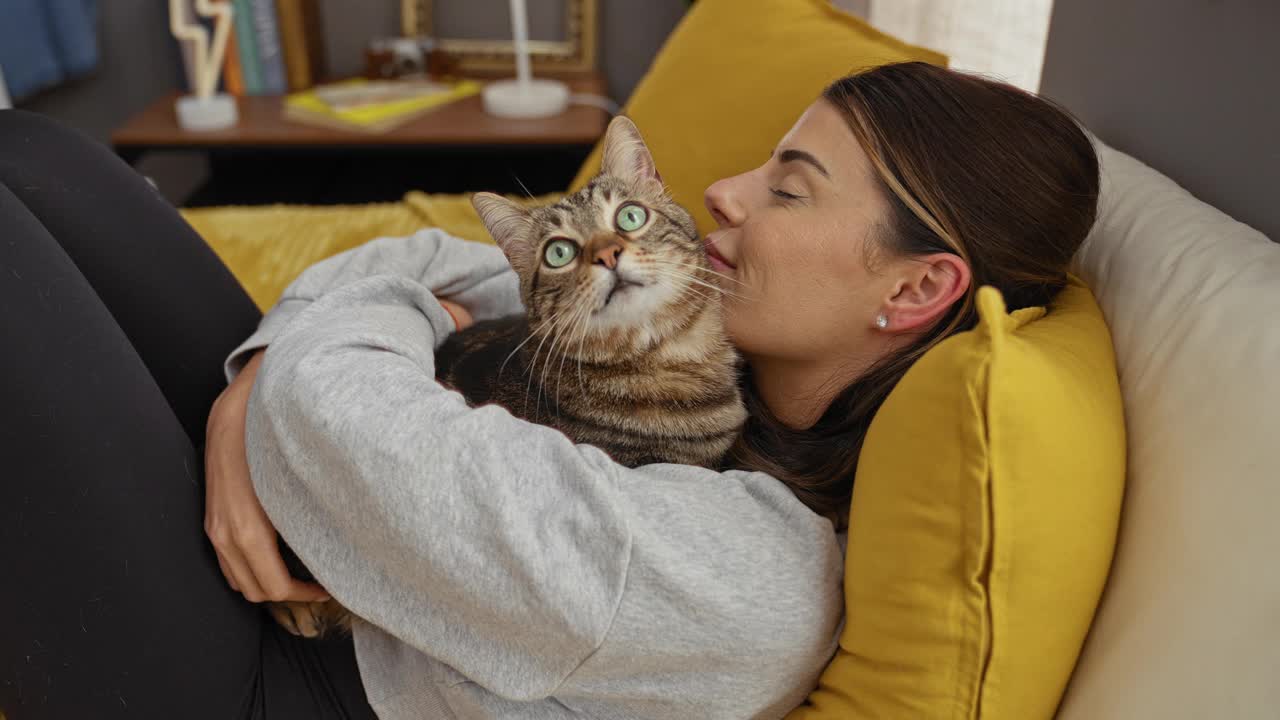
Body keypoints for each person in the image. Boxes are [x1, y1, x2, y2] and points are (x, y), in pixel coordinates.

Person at [0, 62, 1099, 719]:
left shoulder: (748, 574)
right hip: (302, 560)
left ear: (914, 291)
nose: (721, 190)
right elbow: (427, 261)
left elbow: (333, 417)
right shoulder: (696, 338)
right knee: (39, 154)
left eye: (787, 189)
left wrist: (276, 389)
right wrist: (263, 380)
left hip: (282, 690)